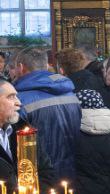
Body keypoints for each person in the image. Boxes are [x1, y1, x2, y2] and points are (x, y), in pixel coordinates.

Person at [8, 47, 81, 181]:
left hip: (39, 178)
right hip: (70, 173)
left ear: (21, 67)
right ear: (46, 66)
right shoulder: (71, 94)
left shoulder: (19, 100)